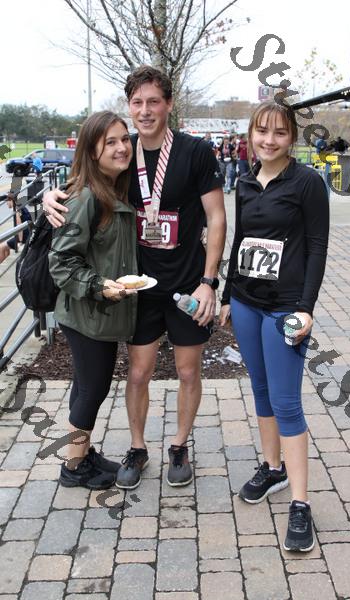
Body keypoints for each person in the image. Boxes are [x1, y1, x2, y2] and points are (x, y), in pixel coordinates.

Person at [43, 66, 226, 491]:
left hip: (188, 285)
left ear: (169, 104)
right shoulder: (124, 153)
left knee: (188, 372)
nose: (145, 111)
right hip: (136, 288)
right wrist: (52, 195)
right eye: (137, 103)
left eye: (153, 102)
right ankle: (138, 448)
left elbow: (217, 218)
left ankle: (179, 446)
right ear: (129, 106)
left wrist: (209, 282)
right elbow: (85, 182)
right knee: (139, 373)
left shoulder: (196, 152)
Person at [220, 100, 329, 552]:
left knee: (286, 403)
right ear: (250, 134)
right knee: (261, 389)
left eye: (279, 132)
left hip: (285, 308)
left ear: (292, 138)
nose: (269, 140)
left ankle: (301, 504)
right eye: (261, 131)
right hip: (246, 303)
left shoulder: (307, 182)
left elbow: (318, 247)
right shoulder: (245, 181)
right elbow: (240, 240)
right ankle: (273, 469)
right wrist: (226, 296)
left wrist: (306, 307)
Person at [48, 110, 138, 490]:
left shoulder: (112, 187)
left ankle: (82, 453)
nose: (122, 148)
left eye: (124, 139)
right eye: (110, 142)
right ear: (92, 150)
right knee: (93, 388)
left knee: (86, 385)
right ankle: (73, 467)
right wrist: (100, 285)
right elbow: (61, 262)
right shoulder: (87, 196)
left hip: (96, 313)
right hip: (87, 312)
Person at [0, 194, 32, 263]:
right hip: (28, 233)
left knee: (1, 247)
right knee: (5, 248)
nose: (6, 204)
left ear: (11, 201)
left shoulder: (16, 210)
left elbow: (19, 226)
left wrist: (20, 242)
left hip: (24, 237)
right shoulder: (21, 206)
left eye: (7, 201)